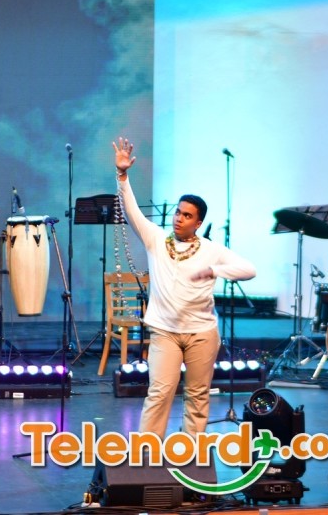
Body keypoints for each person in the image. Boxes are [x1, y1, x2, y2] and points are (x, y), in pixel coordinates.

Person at [113, 136, 256, 437]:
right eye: (178, 212)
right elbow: (132, 212)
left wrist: (214, 270)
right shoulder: (156, 239)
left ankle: (191, 451)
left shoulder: (211, 249)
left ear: (198, 223)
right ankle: (147, 451)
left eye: (187, 215)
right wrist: (123, 176)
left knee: (198, 396)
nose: (179, 218)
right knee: (159, 393)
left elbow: (249, 270)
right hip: (165, 331)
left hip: (201, 333)